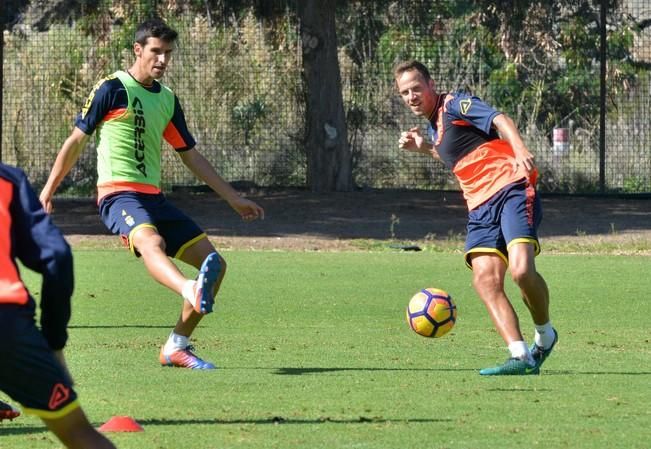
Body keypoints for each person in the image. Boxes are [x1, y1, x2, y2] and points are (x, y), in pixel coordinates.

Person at [40, 18, 264, 370]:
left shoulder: (169, 101)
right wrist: (48, 191)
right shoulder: (113, 88)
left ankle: (176, 346)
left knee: (215, 265)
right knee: (152, 244)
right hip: (118, 195)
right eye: (156, 52)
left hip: (155, 199)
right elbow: (75, 141)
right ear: (138, 50)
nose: (162, 60)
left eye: (168, 54)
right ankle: (189, 289)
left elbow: (189, 155)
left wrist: (232, 197)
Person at [394, 60, 557, 375]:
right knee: (484, 279)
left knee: (521, 272)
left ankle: (545, 334)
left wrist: (520, 149)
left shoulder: (454, 103)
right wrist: (424, 147)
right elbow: (459, 156)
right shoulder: (435, 127)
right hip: (479, 206)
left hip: (511, 187)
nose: (411, 96)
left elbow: (499, 118)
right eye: (405, 92)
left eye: (416, 88)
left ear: (431, 85)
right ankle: (521, 357)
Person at [0, 163, 117, 448]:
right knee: (80, 434)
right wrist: (54, 343)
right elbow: (58, 257)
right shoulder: (7, 180)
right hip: (8, 327)